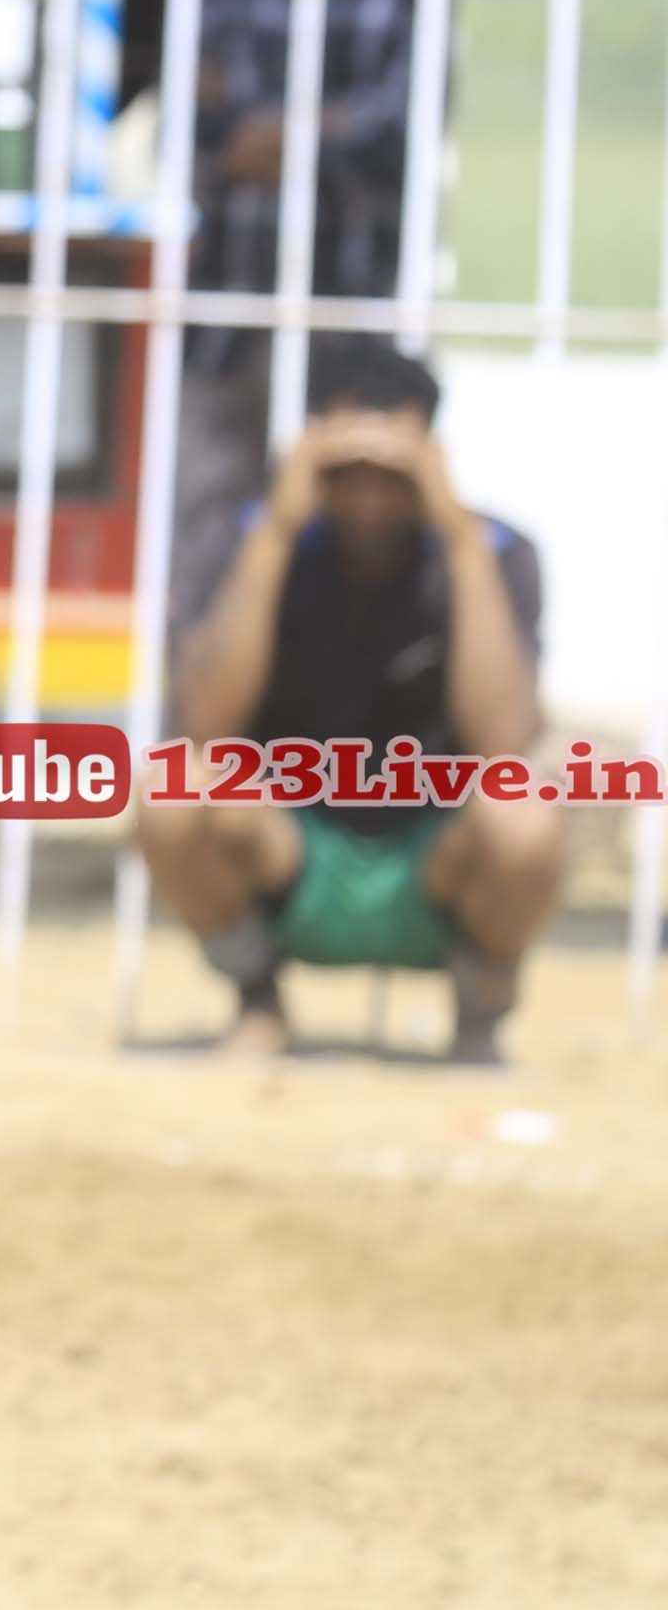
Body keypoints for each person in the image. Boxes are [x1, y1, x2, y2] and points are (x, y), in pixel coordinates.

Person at [133, 338, 556, 1066]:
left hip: (437, 855)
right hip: (288, 846)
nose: (368, 500)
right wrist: (277, 532)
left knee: (524, 813)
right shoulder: (246, 539)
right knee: (172, 793)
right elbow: (203, 727)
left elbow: (504, 743)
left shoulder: (493, 550)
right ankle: (255, 998)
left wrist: (459, 540)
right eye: (344, 471)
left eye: (392, 474)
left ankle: (479, 1013)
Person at [174, 0, 417, 569]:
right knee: (211, 541)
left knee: (339, 552)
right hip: (231, 320)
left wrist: (274, 134)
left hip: (348, 320)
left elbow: (396, 139)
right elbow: (203, 141)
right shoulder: (225, 0)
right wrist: (329, 127)